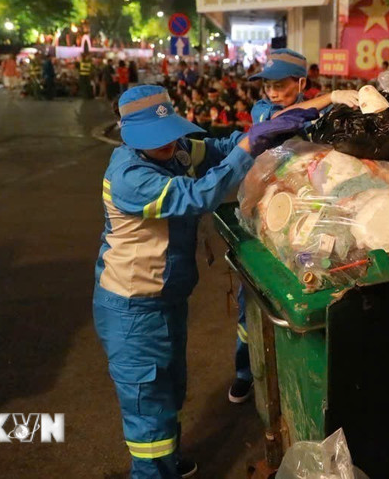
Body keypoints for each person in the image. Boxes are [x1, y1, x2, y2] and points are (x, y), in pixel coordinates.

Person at [93, 85, 314, 479]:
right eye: (155, 139)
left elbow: (217, 149)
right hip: (133, 309)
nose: (166, 144)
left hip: (164, 299)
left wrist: (261, 130)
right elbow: (198, 195)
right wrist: (247, 147)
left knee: (169, 387)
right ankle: (152, 471)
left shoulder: (175, 150)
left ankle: (167, 459)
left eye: (168, 134)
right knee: (147, 403)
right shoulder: (130, 176)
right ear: (131, 137)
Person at [225, 48, 361, 404]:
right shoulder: (264, 111)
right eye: (268, 85)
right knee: (251, 302)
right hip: (263, 209)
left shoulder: (321, 111)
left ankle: (290, 374)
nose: (272, 91)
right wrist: (330, 98)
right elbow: (282, 120)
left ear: (300, 83)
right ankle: (246, 371)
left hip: (300, 211)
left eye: (280, 84)